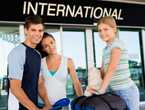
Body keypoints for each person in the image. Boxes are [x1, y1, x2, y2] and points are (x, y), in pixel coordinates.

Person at [88, 16, 140, 110]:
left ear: (114, 29)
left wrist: (102, 90)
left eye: (105, 29)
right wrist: (94, 85)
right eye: (100, 30)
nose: (102, 33)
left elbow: (112, 68)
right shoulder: (105, 50)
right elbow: (103, 72)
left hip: (126, 92)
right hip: (112, 91)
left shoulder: (117, 44)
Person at [8, 16, 51, 110]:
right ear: (26, 31)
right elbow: (15, 88)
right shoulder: (17, 53)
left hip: (32, 106)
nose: (37, 34)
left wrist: (47, 104)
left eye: (40, 30)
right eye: (33, 30)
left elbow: (39, 83)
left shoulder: (37, 55)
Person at [36, 32, 83, 106]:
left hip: (62, 105)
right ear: (43, 49)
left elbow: (76, 83)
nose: (51, 47)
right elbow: (39, 85)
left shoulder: (68, 61)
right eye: (46, 46)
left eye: (51, 42)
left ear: (55, 42)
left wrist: (82, 101)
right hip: (43, 105)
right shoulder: (40, 63)